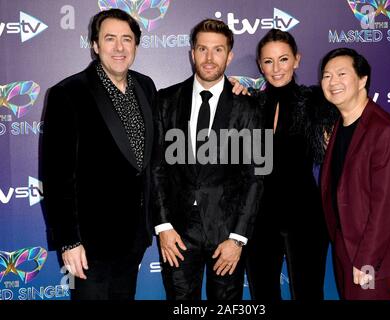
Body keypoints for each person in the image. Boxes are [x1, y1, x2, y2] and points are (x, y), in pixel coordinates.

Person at [42, 9, 156, 300]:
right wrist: (68, 242)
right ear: (95, 45)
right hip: (88, 247)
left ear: (136, 45)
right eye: (110, 39)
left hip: (133, 241)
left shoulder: (146, 86)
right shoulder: (68, 93)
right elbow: (56, 177)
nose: (119, 47)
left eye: (126, 39)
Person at [152, 19, 263, 300]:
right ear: (192, 53)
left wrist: (238, 238)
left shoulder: (249, 107)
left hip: (226, 233)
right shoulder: (165, 100)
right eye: (202, 49)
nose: (209, 58)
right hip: (178, 233)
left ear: (229, 55)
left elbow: (257, 176)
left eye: (218, 50)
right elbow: (157, 168)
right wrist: (164, 226)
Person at [243, 29, 338, 300]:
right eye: (268, 61)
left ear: (296, 60)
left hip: (305, 215)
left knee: (308, 293)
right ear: (260, 65)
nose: (276, 68)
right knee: (262, 294)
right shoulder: (251, 105)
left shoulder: (316, 101)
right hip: (260, 217)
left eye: (283, 59)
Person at [319, 48, 390, 300]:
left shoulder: (383, 130)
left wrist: (366, 260)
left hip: (369, 257)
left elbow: (386, 206)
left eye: (341, 74)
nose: (332, 82)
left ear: (362, 80)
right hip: (344, 247)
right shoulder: (341, 125)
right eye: (326, 76)